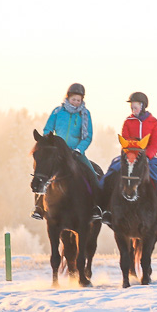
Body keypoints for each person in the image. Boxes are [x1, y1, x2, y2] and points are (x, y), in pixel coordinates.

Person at [96, 91, 157, 228]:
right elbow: (125, 141)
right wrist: (131, 155)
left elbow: (155, 143)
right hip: (129, 156)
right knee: (110, 174)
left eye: (135, 107)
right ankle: (104, 209)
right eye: (132, 108)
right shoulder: (128, 122)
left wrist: (146, 156)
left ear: (143, 106)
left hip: (149, 157)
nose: (133, 110)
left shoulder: (154, 123)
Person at [31, 83, 95, 220]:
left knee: (92, 173)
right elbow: (48, 129)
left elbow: (87, 136)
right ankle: (38, 206)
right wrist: (49, 143)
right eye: (74, 99)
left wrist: (79, 149)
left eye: (79, 100)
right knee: (42, 172)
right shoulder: (58, 111)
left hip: (75, 152)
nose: (76, 102)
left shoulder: (85, 114)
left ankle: (96, 207)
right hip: (57, 152)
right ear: (68, 98)